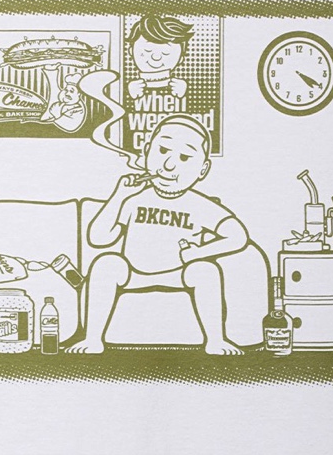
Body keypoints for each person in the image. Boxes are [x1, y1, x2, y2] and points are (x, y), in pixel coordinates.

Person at [66, 114, 249, 356]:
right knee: (106, 263)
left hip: (178, 274)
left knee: (206, 270)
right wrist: (119, 196)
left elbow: (238, 237)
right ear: (146, 152)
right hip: (135, 273)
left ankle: (216, 339)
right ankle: (93, 339)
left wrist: (197, 254)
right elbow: (99, 239)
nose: (169, 165)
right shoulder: (133, 199)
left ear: (202, 169)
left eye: (185, 158)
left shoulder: (201, 205)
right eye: (162, 151)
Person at [126, 14, 193, 99]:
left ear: (181, 59)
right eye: (148, 50)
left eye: (165, 53)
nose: (156, 57)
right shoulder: (132, 86)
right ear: (131, 51)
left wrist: (183, 94)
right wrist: (129, 93)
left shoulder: (178, 85)